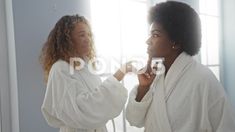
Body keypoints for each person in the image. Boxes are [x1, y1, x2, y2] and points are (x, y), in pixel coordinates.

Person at [126, 1, 235, 132]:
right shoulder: (154, 77)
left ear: (176, 42)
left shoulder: (204, 79)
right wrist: (143, 88)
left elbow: (226, 126)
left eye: (155, 35)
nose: (148, 41)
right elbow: (134, 120)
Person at [40, 14, 133, 132]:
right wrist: (118, 75)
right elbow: (81, 110)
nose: (88, 39)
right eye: (82, 35)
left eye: (89, 35)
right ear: (67, 39)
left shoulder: (86, 66)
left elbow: (97, 101)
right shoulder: (60, 69)